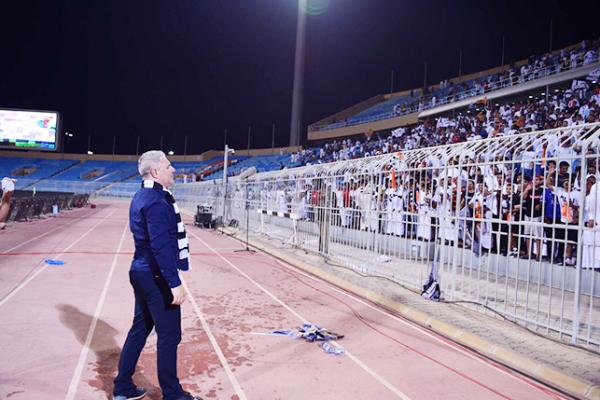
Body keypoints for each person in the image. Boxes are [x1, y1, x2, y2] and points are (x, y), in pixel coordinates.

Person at [113, 151, 202, 400]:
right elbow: (160, 245)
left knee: (140, 328)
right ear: (155, 172)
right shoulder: (157, 201)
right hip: (154, 274)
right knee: (170, 335)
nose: (173, 169)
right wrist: (174, 282)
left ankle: (122, 387)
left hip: (141, 270)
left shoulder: (143, 195)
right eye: (168, 166)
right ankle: (173, 395)